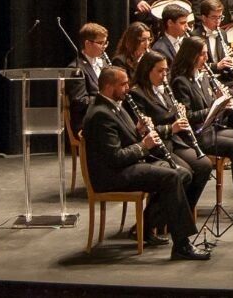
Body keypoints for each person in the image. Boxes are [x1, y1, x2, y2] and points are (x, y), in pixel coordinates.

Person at [80, 64, 208, 259]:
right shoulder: (100, 114)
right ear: (108, 87)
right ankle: (182, 245)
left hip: (124, 166)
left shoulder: (114, 105)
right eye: (123, 85)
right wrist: (144, 145)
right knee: (171, 176)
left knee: (183, 173)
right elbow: (115, 157)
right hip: (112, 175)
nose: (127, 88)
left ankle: (148, 226)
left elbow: (124, 139)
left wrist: (139, 130)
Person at [126, 51, 213, 211]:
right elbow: (141, 131)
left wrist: (178, 111)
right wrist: (171, 128)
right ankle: (160, 218)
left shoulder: (164, 89)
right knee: (184, 173)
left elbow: (167, 114)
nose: (164, 75)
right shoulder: (136, 94)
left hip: (175, 141)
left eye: (166, 70)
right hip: (157, 147)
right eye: (160, 71)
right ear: (147, 71)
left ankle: (183, 211)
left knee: (204, 165)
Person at [171, 34, 233, 217]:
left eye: (206, 54)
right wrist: (215, 107)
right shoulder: (180, 82)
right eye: (202, 55)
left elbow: (210, 106)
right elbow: (187, 116)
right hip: (196, 136)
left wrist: (223, 105)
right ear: (191, 56)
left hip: (212, 129)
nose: (207, 59)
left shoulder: (203, 76)